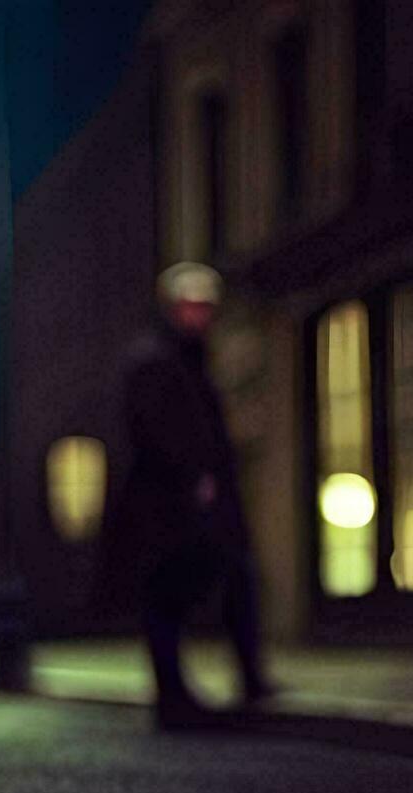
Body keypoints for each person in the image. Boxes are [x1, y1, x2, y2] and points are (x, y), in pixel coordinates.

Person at [102, 262, 274, 729]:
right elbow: (158, 432)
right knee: (170, 596)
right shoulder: (155, 360)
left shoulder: (188, 359)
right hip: (170, 505)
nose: (199, 316)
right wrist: (193, 476)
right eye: (190, 306)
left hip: (192, 501)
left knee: (224, 580)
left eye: (205, 307)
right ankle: (174, 694)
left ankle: (241, 679)